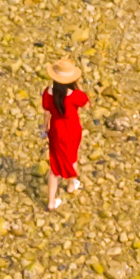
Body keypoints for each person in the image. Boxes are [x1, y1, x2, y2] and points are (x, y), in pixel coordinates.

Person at [41, 61, 92, 212]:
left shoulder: (48, 93)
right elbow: (87, 103)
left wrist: (45, 127)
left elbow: (46, 112)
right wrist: (78, 87)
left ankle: (51, 201)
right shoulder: (75, 96)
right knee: (72, 157)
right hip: (72, 129)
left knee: (54, 166)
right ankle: (71, 184)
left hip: (56, 130)